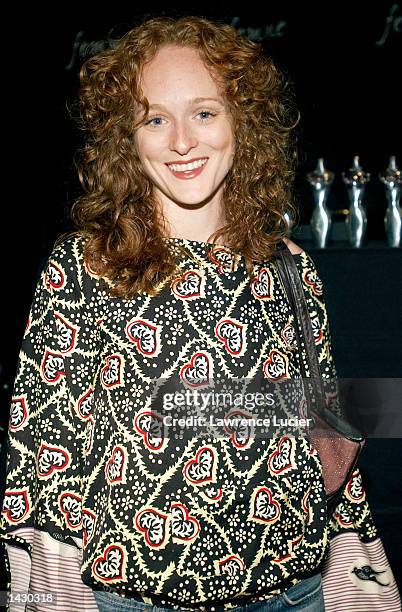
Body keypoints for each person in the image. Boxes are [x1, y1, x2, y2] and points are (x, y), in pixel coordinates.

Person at [0, 14, 400, 612]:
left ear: (243, 122)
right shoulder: (84, 266)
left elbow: (326, 428)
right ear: (126, 139)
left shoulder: (290, 267)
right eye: (155, 118)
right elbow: (38, 465)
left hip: (293, 597)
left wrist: (359, 575)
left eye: (205, 113)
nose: (182, 140)